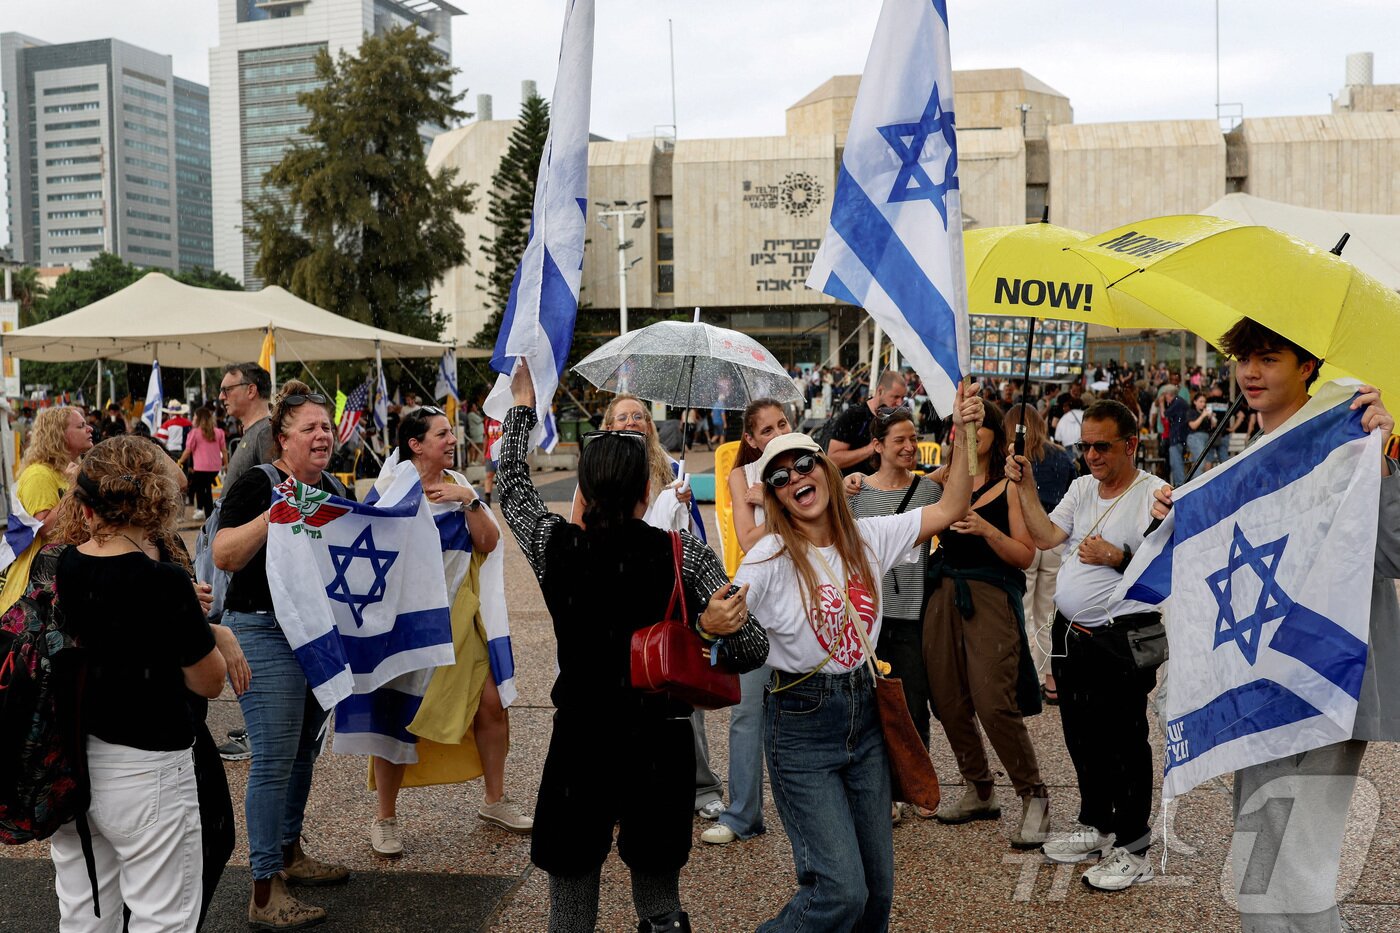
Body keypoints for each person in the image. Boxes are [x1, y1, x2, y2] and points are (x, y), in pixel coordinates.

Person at [498, 362, 768, 933]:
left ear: (586, 488)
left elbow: (513, 490)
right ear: (647, 489)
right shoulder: (682, 554)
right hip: (658, 741)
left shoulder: (557, 547)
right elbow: (751, 647)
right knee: (659, 896)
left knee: (571, 896)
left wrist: (522, 408)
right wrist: (707, 631)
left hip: (582, 738)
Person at [1151, 318, 1396, 931]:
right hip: (1257, 684)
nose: (1250, 373)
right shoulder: (1245, 463)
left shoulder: (1350, 439)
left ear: (1307, 366)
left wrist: (1381, 461)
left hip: (1328, 678)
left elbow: (1392, 549)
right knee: (1258, 866)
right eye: (1243, 359)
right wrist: (1178, 518)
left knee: (1296, 873)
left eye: (1268, 358)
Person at [734, 383, 981, 932]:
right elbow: (727, 611)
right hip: (801, 722)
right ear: (774, 496)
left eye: (804, 465)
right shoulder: (769, 555)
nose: (795, 478)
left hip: (866, 715)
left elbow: (951, 506)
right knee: (839, 892)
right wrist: (717, 619)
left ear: (824, 469)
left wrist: (962, 435)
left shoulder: (868, 536)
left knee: (876, 894)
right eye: (780, 477)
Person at [47, 436, 228, 931]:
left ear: (85, 508)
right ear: (154, 502)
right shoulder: (164, 582)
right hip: (148, 766)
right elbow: (209, 681)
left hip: (75, 760)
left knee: (85, 914)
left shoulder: (65, 566)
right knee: (162, 917)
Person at [1006, 398, 1168, 891]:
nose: (1092, 455)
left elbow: (1166, 574)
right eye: (1086, 447)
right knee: (1081, 734)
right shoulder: (1081, 488)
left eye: (1102, 447)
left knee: (1125, 741)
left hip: (1123, 638)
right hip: (1071, 634)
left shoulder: (1155, 494)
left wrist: (1118, 557)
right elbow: (1044, 536)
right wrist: (1025, 486)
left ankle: (1134, 844)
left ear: (1131, 444)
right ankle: (1096, 823)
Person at [362, 406, 531, 859]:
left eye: (451, 433)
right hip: (407, 627)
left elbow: (488, 542)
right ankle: (385, 819)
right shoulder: (390, 489)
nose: (452, 440)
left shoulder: (459, 484)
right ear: (416, 444)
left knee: (491, 705)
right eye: (442, 434)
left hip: (459, 617)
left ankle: (495, 800)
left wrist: (468, 500)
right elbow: (369, 550)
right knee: (396, 717)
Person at [213, 381, 351, 929]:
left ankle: (290, 853)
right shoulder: (258, 482)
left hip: (314, 633)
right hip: (263, 631)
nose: (323, 435)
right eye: (310, 428)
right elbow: (224, 554)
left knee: (301, 753)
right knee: (272, 758)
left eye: (326, 427)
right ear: (283, 439)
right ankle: (264, 890)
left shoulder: (334, 487)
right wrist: (274, 515)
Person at [568, 394, 722, 819]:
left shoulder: (671, 470)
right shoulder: (594, 471)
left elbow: (692, 542)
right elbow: (578, 534)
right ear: (608, 425)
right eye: (623, 416)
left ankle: (701, 786)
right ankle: (622, 786)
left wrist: (681, 506)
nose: (633, 421)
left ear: (651, 426)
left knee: (679, 684)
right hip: (614, 594)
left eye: (639, 415)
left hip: (664, 593)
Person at [921, 403, 1049, 847]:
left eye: (980, 426)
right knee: (947, 700)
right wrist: (858, 480)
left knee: (994, 701)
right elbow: (900, 489)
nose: (971, 434)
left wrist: (985, 530)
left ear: (996, 433)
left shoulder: (1009, 484)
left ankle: (1033, 797)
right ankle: (979, 789)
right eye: (964, 427)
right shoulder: (944, 479)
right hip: (942, 596)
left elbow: (1026, 555)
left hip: (991, 597)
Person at [845, 406, 943, 817]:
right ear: (877, 445)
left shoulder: (929, 491)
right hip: (867, 615)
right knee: (869, 704)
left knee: (912, 702)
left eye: (913, 438)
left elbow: (959, 475)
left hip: (912, 612)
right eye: (899, 440)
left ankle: (915, 784)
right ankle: (882, 789)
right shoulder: (855, 493)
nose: (909, 447)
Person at [704, 398, 792, 847]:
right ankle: (743, 815)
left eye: (783, 424)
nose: (778, 434)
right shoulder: (741, 475)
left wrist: (773, 500)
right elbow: (750, 538)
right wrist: (780, 505)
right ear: (752, 439)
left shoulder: (809, 464)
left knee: (811, 710)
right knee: (746, 712)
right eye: (767, 429)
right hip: (756, 603)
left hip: (804, 601)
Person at [1002, 405, 1076, 705]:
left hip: (1023, 536)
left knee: (1019, 612)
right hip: (1055, 534)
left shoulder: (1012, 458)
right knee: (1049, 615)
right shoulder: (1061, 456)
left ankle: (1019, 678)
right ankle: (1052, 680)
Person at [0, 405, 93, 614]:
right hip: (39, 585)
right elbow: (47, 530)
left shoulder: (64, 471)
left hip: (60, 574)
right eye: (81, 426)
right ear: (59, 434)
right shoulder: (39, 475)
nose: (90, 429)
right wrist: (75, 487)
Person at [826, 370, 909, 476]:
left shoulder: (898, 418)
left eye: (902, 398)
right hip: (855, 484)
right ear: (880, 391)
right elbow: (833, 460)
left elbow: (910, 462)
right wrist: (871, 449)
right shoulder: (853, 416)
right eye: (896, 397)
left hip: (888, 484)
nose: (900, 403)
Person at [219, 362, 275, 492]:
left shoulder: (266, 432)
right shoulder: (260, 431)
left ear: (251, 391)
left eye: (227, 390)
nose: (221, 396)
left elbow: (277, 493)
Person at [178, 406, 227, 522]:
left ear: (198, 418)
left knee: (201, 488)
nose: (193, 418)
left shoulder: (194, 433)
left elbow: (188, 450)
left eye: (194, 416)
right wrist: (226, 464)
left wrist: (180, 461)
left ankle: (204, 511)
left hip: (200, 467)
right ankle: (207, 512)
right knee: (206, 488)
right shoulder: (218, 432)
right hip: (215, 467)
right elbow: (224, 450)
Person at [1161, 384, 1190, 485]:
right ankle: (1180, 483)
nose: (1165, 397)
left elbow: (1164, 415)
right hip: (1181, 436)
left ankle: (1180, 485)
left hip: (1177, 437)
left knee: (1176, 463)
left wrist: (1161, 404)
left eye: (1165, 395)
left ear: (1169, 394)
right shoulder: (1180, 402)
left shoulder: (1177, 403)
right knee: (1177, 462)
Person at [1185, 391, 1219, 473]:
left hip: (1207, 437)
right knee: (1199, 463)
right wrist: (1202, 416)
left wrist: (1212, 417)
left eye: (1204, 402)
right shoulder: (1191, 412)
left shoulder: (1205, 412)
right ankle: (1196, 480)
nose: (1203, 404)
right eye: (1200, 401)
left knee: (1209, 461)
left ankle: (1206, 480)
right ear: (1195, 402)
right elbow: (1193, 426)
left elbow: (1214, 426)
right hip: (1195, 437)